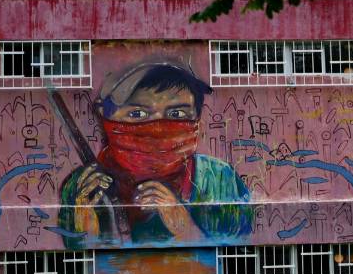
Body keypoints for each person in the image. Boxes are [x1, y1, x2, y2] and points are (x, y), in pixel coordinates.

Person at [57, 60, 251, 248]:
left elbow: (238, 254)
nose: (158, 128)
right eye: (137, 114)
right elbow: (80, 260)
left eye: (177, 114)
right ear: (103, 114)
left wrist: (185, 228)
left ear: (196, 117)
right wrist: (86, 231)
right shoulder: (83, 186)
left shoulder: (219, 179)